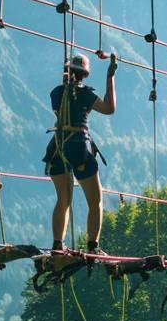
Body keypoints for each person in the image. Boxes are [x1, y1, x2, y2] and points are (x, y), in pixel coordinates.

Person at [44, 51, 117, 253]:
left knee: (63, 199)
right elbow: (109, 108)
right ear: (85, 74)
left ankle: (57, 244)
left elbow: (66, 100)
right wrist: (110, 77)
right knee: (95, 200)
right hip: (78, 146)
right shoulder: (85, 94)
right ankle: (92, 246)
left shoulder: (56, 93)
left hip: (57, 146)